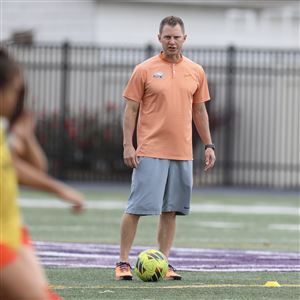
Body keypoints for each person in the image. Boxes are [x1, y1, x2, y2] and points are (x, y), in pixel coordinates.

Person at [115, 16, 216, 281]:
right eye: (167, 37)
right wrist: (128, 144)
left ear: (185, 39)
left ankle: (165, 261)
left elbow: (200, 110)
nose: (172, 41)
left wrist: (208, 144)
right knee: (137, 207)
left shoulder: (196, 71)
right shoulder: (144, 69)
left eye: (176, 37)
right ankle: (123, 262)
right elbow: (131, 110)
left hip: (182, 153)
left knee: (171, 210)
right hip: (150, 150)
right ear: (159, 38)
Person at [0, 48, 83, 299]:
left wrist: (26, 137)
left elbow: (31, 167)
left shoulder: (4, 128)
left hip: (11, 229)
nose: (19, 98)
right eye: (16, 90)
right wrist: (59, 189)